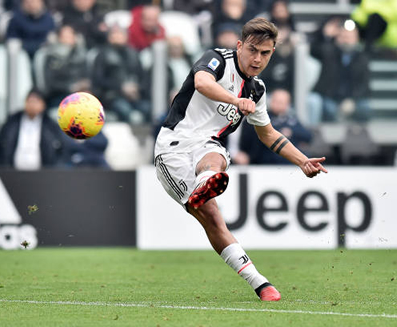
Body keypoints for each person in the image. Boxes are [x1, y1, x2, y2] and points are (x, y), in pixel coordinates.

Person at [154, 18, 327, 301]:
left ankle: (261, 284)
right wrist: (236, 101)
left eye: (265, 53)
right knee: (210, 216)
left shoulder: (256, 90)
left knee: (214, 159)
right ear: (239, 46)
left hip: (208, 147)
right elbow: (201, 83)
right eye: (252, 50)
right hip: (173, 148)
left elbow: (268, 134)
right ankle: (207, 182)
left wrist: (302, 160)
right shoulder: (217, 59)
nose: (257, 59)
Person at [308, 18, 371, 124]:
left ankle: (361, 137)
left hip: (352, 98)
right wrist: (326, 36)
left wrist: (352, 100)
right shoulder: (330, 52)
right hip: (331, 97)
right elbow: (314, 50)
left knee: (365, 108)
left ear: (357, 39)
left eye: (350, 37)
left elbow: (364, 85)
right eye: (344, 36)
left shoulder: (362, 58)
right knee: (329, 109)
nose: (347, 40)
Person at [235, 89, 312, 165]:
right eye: (275, 101)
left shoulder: (291, 120)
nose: (278, 104)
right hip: (265, 162)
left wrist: (291, 132)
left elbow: (308, 136)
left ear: (288, 104)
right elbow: (248, 142)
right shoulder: (260, 116)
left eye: (281, 102)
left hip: (290, 164)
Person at [0, 88, 64, 169]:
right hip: (13, 174)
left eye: (36, 101)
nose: (32, 105)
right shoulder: (12, 122)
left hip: (42, 175)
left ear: (43, 105)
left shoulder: (50, 125)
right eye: (29, 101)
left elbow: (60, 150)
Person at [92, 25, 151, 124]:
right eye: (114, 34)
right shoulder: (102, 55)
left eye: (120, 34)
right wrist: (120, 87)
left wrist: (137, 88)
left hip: (135, 96)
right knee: (125, 111)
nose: (117, 37)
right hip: (112, 97)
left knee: (148, 108)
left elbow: (143, 78)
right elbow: (98, 80)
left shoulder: (134, 54)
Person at [43, 25, 91, 108]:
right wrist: (70, 87)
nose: (67, 39)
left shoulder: (81, 55)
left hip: (80, 95)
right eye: (64, 36)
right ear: (58, 38)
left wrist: (83, 85)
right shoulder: (52, 57)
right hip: (58, 97)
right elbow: (50, 83)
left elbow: (86, 76)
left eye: (70, 35)